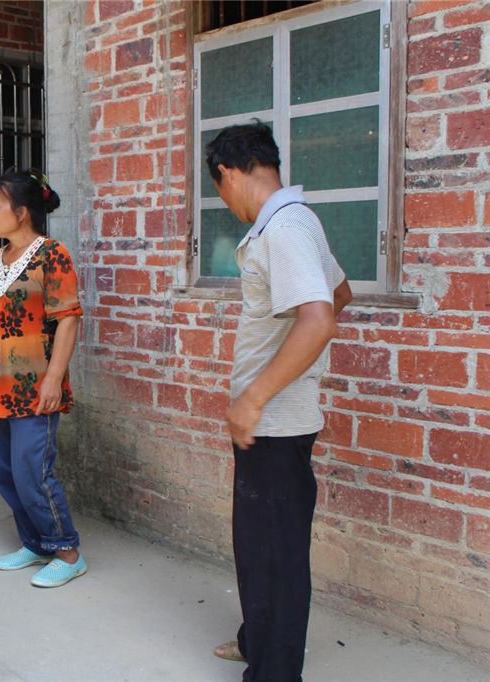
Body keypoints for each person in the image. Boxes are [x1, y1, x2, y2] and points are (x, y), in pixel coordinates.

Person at [205, 122, 352, 680]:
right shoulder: (292, 221)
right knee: (258, 547)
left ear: (228, 173)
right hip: (273, 420)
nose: (225, 202)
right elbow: (338, 293)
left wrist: (255, 398)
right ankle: (257, 643)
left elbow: (320, 320)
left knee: (275, 558)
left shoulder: (286, 226)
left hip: (275, 421)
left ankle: (274, 672)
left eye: (219, 188)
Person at [0, 170, 86, 588]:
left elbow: (68, 320)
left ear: (22, 212)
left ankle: (67, 551)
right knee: (3, 472)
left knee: (32, 472)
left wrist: (54, 379)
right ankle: (35, 543)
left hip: (34, 387)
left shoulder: (52, 255)